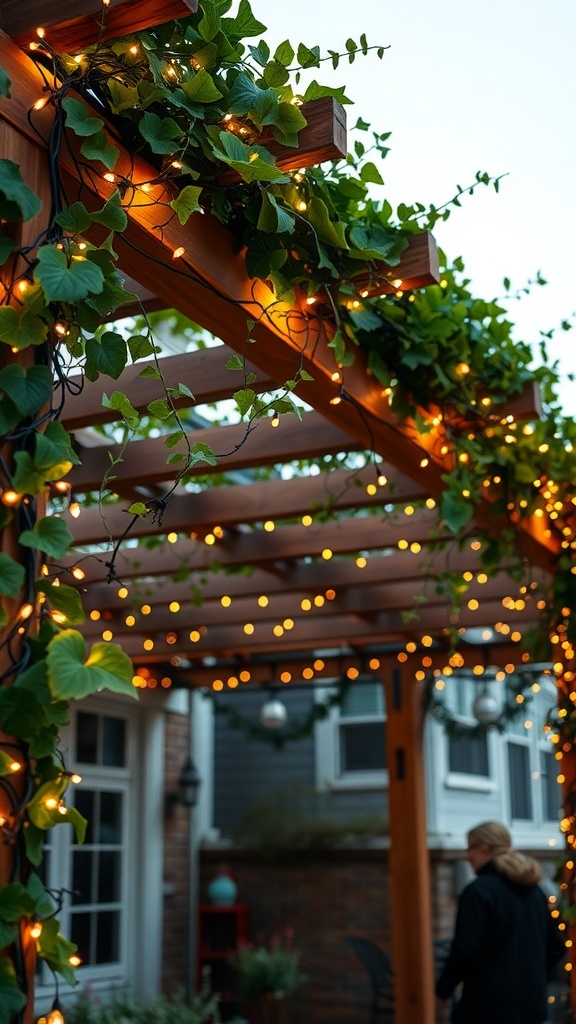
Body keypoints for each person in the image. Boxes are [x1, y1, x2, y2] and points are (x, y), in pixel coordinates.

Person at [435, 821, 566, 1024]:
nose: (467, 856)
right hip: (532, 1009)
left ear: (484, 849)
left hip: (487, 1009)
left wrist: (443, 989)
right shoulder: (536, 891)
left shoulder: (478, 892)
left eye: (470, 848)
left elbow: (464, 951)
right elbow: (556, 946)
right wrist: (534, 980)